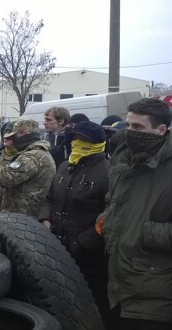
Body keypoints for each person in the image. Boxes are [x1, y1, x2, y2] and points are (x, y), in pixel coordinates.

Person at [98, 98, 172, 329]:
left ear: (161, 130)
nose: (130, 132)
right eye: (128, 125)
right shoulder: (124, 157)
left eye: (138, 127)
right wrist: (109, 218)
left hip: (154, 292)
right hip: (118, 282)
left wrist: (145, 232)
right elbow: (115, 200)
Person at [39, 121, 115, 328]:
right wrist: (46, 220)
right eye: (74, 139)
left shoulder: (109, 172)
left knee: (88, 303)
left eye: (83, 140)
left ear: (97, 143)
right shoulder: (65, 166)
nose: (77, 143)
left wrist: (85, 241)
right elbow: (49, 197)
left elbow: (111, 214)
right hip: (56, 244)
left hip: (88, 254)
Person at [0, 119, 55, 219]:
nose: (14, 140)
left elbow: (7, 177)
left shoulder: (32, 156)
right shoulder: (38, 154)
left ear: (25, 134)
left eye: (15, 136)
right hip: (21, 216)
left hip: (22, 216)